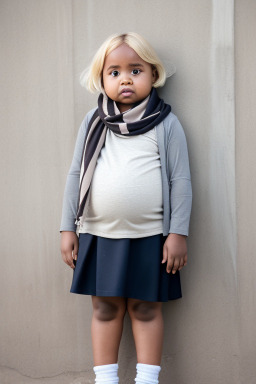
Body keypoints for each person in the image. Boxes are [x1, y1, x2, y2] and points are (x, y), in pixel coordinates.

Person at [60, 32, 192, 384]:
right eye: (114, 72)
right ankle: (105, 379)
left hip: (151, 237)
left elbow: (181, 180)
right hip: (98, 235)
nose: (126, 79)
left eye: (136, 70)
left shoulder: (166, 123)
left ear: (153, 74)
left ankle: (147, 379)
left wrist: (178, 233)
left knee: (146, 308)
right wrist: (67, 228)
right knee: (104, 308)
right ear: (101, 79)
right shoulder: (93, 122)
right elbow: (76, 174)